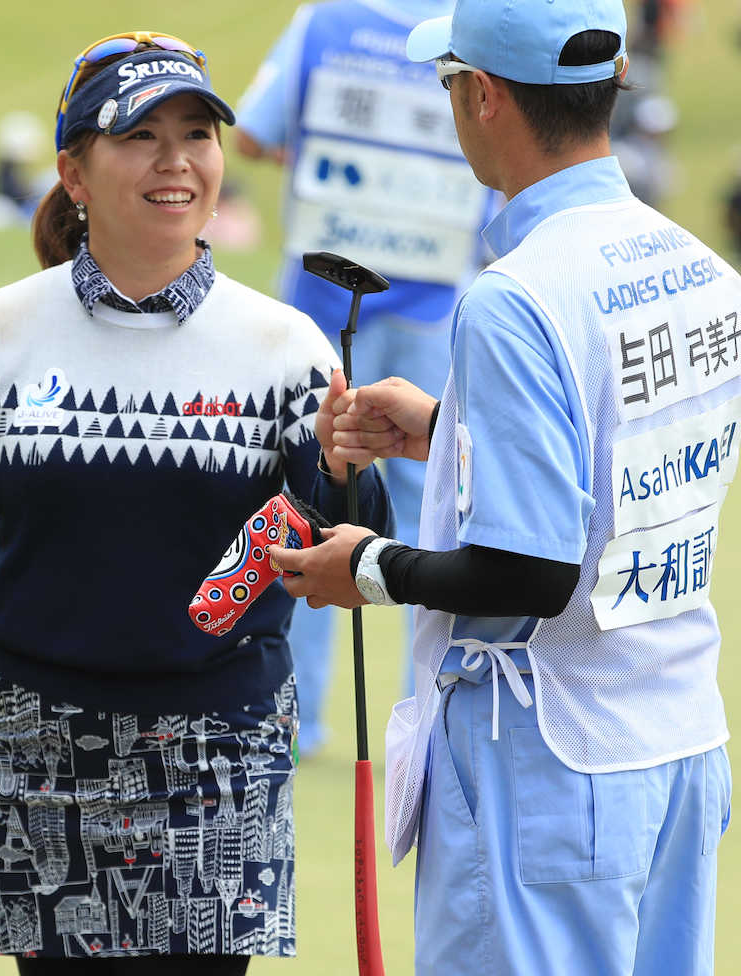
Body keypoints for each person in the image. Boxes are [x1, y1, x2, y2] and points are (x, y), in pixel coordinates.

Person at [0, 30, 392, 973]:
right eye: (139, 135)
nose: (176, 160)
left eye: (196, 132)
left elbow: (352, 540)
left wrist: (338, 464)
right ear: (74, 170)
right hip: (36, 747)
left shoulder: (288, 347)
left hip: (219, 751)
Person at [267, 1, 741, 973]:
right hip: (678, 744)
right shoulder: (700, 268)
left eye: (448, 83)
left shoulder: (516, 296)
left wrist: (366, 568)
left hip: (547, 766)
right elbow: (616, 473)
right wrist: (448, 432)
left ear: (483, 95)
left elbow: (531, 571)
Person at [234, 0, 496, 756]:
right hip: (434, 302)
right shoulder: (468, 26)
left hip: (320, 302)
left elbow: (252, 131)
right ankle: (436, 713)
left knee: (309, 496)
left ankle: (301, 722)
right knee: (437, 510)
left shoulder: (324, 20)